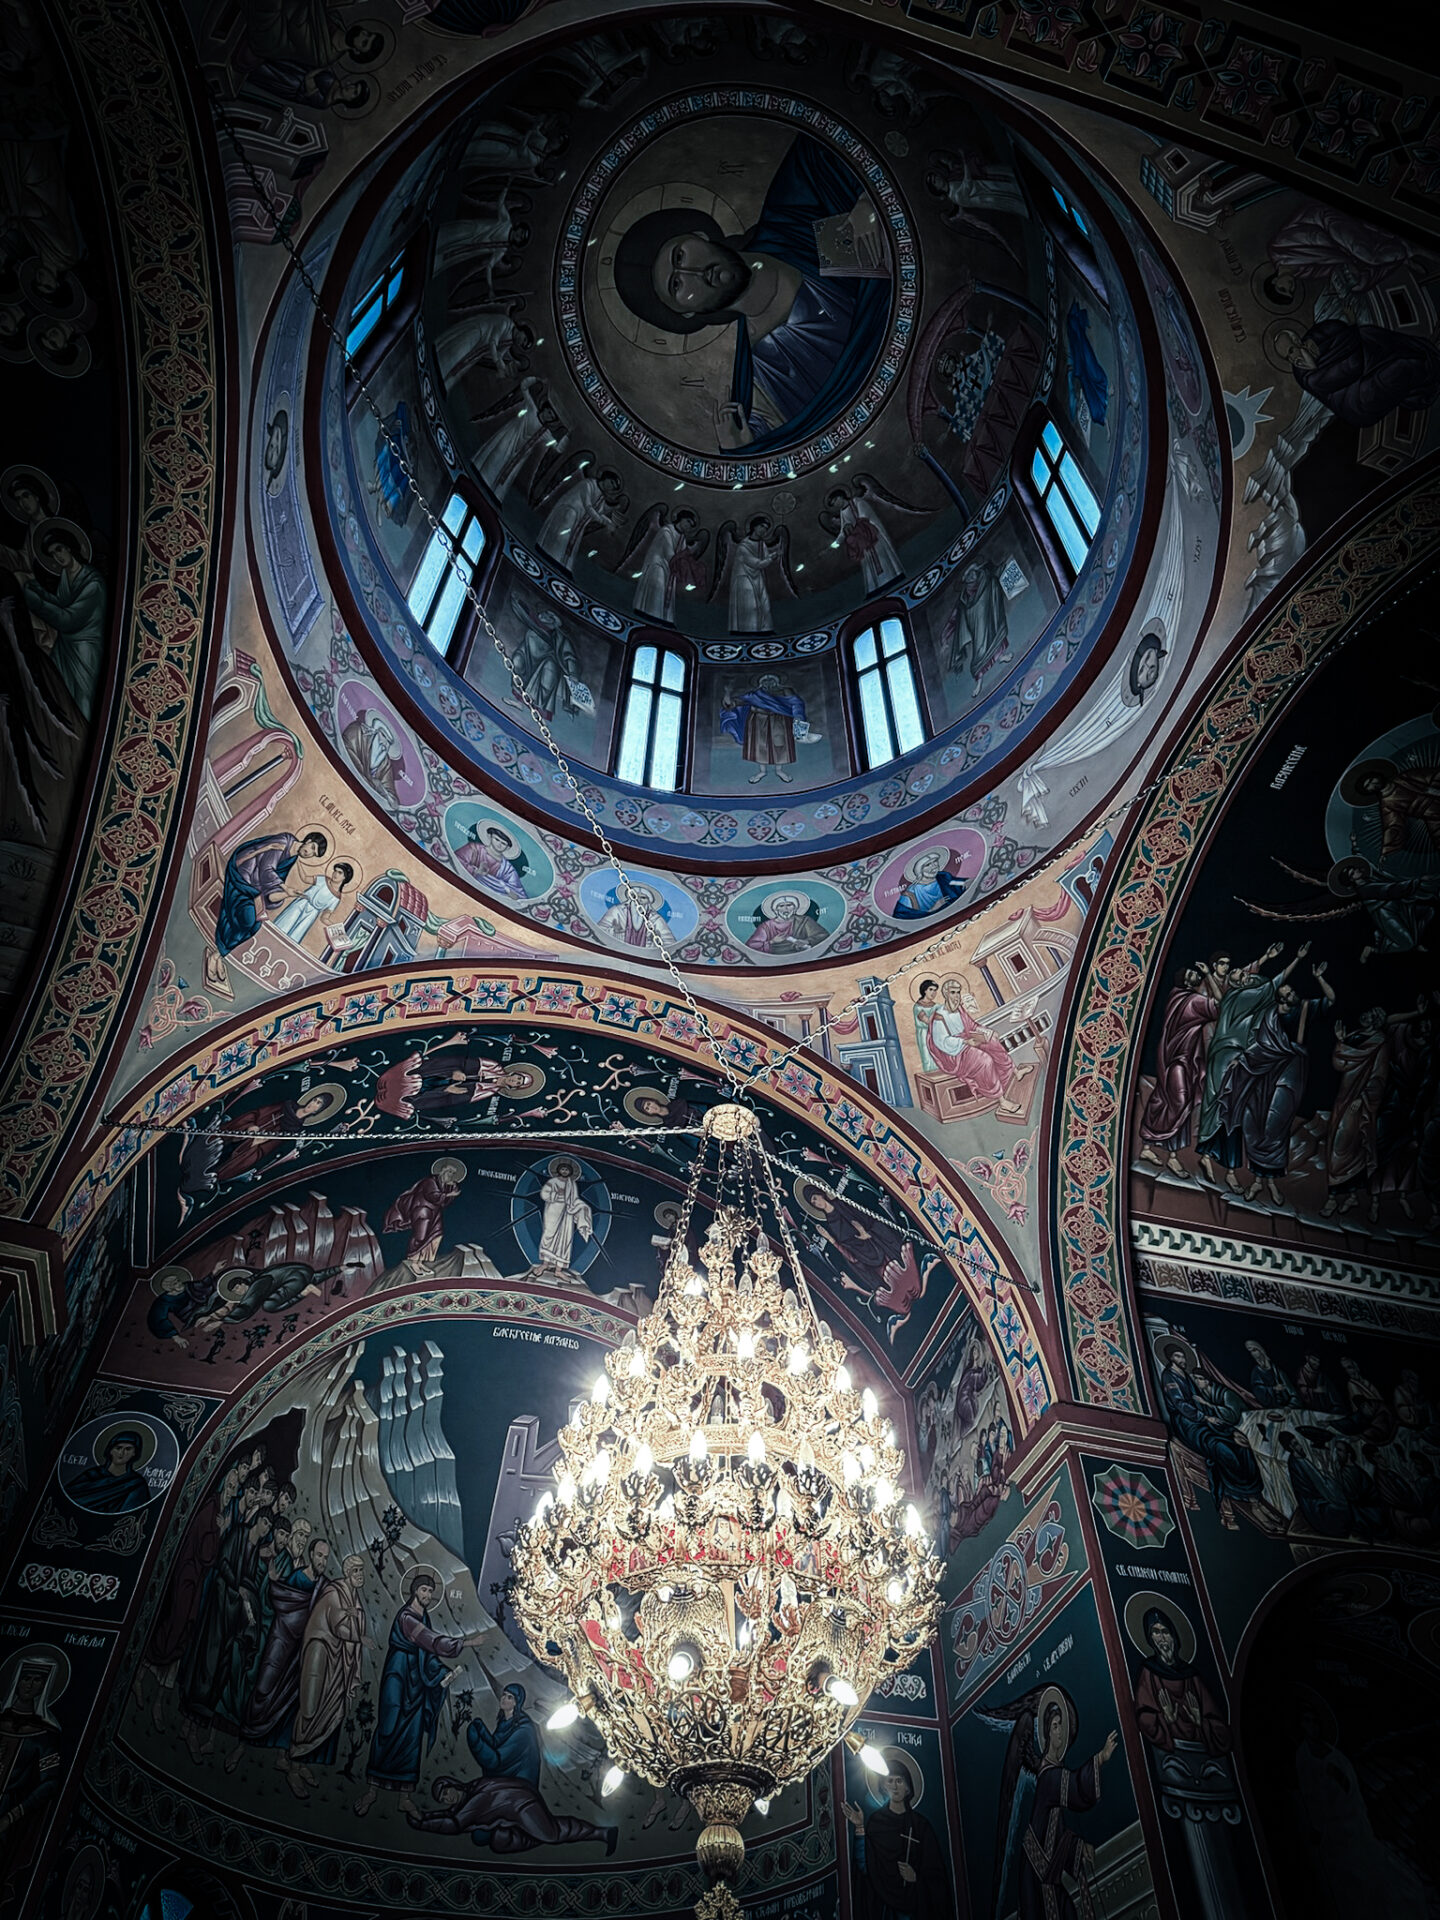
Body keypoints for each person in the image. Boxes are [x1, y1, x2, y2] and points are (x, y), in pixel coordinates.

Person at [611, 133, 891, 453]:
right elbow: (811, 442)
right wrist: (743, 451)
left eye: (680, 256)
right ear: (686, 313)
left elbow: (821, 146)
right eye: (677, 285)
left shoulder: (794, 226)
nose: (693, 273)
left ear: (699, 235)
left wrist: (864, 197)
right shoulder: (759, 379)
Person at [355, 1572, 485, 1816]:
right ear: (415, 1591)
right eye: (424, 1589)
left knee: (412, 1736)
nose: (427, 1594)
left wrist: (441, 1674)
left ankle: (404, 1797)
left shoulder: (424, 1617)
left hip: (417, 1682)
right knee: (389, 1728)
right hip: (399, 1675)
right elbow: (430, 1641)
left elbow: (427, 1654)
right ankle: (371, 1791)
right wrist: (466, 1643)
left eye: (430, 1591)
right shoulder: (407, 1617)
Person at [842, 1750, 951, 1918]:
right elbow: (865, 1867)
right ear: (883, 1786)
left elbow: (936, 1874)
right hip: (884, 1908)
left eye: (899, 1781)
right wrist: (859, 1827)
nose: (894, 1786)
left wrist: (916, 1877)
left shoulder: (921, 1826)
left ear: (908, 1788)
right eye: (890, 1781)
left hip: (916, 1906)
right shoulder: (876, 1823)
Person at [1274, 320, 1440, 430]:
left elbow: (1340, 328)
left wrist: (1349, 335)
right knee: (1403, 367)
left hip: (1366, 363)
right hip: (1359, 401)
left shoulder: (1317, 334)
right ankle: (1430, 377)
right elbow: (1352, 367)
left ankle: (1426, 357)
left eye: (1291, 351)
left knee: (1370, 333)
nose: (1293, 359)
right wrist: (1314, 361)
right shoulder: (1305, 377)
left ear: (1297, 341)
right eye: (1288, 358)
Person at [408, 1772, 617, 1854]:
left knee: (551, 1834)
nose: (447, 1799)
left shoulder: (476, 1798)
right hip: (511, 1815)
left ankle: (602, 1833)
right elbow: (454, 1817)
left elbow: (456, 1824)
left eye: (446, 1792)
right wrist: (424, 1816)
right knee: (500, 1841)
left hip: (522, 1804)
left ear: (453, 1785)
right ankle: (537, 1831)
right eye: (443, 1799)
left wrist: (422, 1822)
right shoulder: (468, 1796)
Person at [290, 1551, 367, 1769]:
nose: (360, 1575)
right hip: (320, 1651)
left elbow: (355, 1620)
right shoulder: (334, 1591)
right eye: (356, 1571)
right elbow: (337, 1626)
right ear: (347, 1573)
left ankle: (305, 1765)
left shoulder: (354, 1597)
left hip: (338, 1660)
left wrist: (355, 1618)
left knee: (331, 1709)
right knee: (311, 1704)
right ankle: (294, 1762)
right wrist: (359, 1636)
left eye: (362, 1571)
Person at [1138, 965, 1217, 1174]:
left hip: (1179, 1057)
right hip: (1178, 1059)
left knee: (1168, 1098)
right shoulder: (1191, 1001)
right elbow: (1220, 1006)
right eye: (1192, 974)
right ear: (1186, 981)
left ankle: (1165, 1154)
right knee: (1178, 1101)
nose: (1196, 975)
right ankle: (1151, 1145)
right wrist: (1209, 975)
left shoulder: (1178, 997)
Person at [22, 524, 106, 720]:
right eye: (52, 554)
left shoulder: (94, 583)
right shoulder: (66, 576)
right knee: (59, 694)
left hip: (85, 649)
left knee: (84, 701)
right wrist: (41, 592)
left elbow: (69, 619)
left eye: (59, 549)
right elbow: (62, 603)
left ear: (69, 547)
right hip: (65, 648)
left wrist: (37, 602)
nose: (57, 556)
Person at [211, 831, 329, 964]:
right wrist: (285, 888)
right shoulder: (284, 841)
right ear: (308, 840)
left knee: (255, 925)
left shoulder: (292, 858)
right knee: (248, 919)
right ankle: (216, 955)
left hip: (255, 885)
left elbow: (273, 884)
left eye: (314, 854)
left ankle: (218, 955)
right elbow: (266, 870)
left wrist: (287, 894)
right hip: (243, 875)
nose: (309, 853)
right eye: (312, 847)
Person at [922, 978, 1028, 1115]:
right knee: (984, 1060)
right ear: (946, 994)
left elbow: (972, 1026)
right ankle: (1001, 1101)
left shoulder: (959, 1009)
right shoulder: (939, 1017)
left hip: (968, 1040)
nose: (956, 996)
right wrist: (965, 1042)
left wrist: (988, 1032)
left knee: (992, 1043)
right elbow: (941, 1042)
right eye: (953, 993)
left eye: (958, 992)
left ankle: (1015, 1071)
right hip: (955, 1053)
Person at [719, 672, 806, 781]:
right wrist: (727, 692)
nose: (768, 683)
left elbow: (796, 703)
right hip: (759, 720)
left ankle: (779, 770)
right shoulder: (755, 695)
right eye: (765, 680)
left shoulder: (785, 691)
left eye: (771, 680)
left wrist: (798, 716)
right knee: (760, 746)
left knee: (780, 745)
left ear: (777, 681)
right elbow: (731, 704)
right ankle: (762, 771)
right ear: (760, 683)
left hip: (778, 720)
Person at [383, 1158, 467, 1264]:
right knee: (420, 1236)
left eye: (453, 1173)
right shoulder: (430, 1181)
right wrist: (449, 1194)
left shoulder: (445, 1186)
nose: (451, 1175)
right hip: (422, 1212)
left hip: (435, 1214)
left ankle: (421, 1262)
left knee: (436, 1236)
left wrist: (452, 1189)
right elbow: (432, 1196)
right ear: (443, 1171)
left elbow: (444, 1203)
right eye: (450, 1172)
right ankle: (413, 1262)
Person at [944, 560, 1009, 692]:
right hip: (975, 627)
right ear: (966, 580)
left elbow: (996, 575)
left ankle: (1001, 656)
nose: (972, 575)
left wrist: (1005, 567)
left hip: (989, 620)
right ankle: (979, 682)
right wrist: (945, 636)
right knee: (979, 653)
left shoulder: (986, 581)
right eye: (969, 575)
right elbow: (954, 618)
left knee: (995, 637)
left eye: (973, 572)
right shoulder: (963, 598)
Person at [466, 1683, 540, 1784]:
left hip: (518, 1783)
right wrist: (481, 1729)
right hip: (507, 1779)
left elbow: (496, 1761)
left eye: (509, 1697)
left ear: (516, 1702)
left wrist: (475, 1741)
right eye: (504, 1695)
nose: (504, 1699)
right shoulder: (505, 1721)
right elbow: (496, 1743)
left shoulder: (524, 1730)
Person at [531, 1158, 592, 1278]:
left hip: (567, 1214)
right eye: (563, 1169)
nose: (564, 1171)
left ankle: (558, 1270)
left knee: (564, 1240)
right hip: (553, 1210)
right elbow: (544, 1194)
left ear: (570, 1172)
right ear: (558, 1170)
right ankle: (545, 1264)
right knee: (548, 1235)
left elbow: (574, 1199)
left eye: (567, 1170)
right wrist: (556, 1194)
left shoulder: (572, 1184)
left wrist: (581, 1207)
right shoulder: (553, 1181)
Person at [63, 1430, 151, 1513]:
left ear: (134, 1453)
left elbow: (132, 1511)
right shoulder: (91, 1475)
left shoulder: (136, 1483)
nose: (121, 1453)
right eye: (118, 1448)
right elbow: (69, 1497)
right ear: (110, 1450)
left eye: (128, 1449)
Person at [272, 861, 354, 944]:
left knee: (295, 936)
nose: (335, 874)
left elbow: (324, 918)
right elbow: (304, 878)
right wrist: (298, 863)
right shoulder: (323, 879)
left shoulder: (336, 898)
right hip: (301, 903)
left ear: (345, 877)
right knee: (283, 925)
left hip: (311, 915)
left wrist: (337, 928)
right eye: (335, 871)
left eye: (340, 873)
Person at [342, 706, 406, 805]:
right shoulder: (356, 732)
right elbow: (348, 760)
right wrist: (375, 783)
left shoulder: (385, 763)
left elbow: (394, 802)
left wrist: (384, 792)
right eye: (383, 735)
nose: (384, 744)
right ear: (373, 731)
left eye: (388, 742)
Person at [455, 822, 530, 900]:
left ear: (508, 847)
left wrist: (504, 888)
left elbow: (519, 893)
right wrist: (475, 871)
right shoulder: (474, 849)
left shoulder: (507, 868)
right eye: (496, 839)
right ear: (489, 836)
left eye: (503, 843)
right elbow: (456, 860)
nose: (499, 844)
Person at [892, 849, 967, 921]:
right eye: (928, 865)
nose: (934, 866)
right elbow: (904, 918)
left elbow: (958, 883)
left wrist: (967, 882)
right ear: (919, 870)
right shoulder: (911, 893)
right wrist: (933, 909)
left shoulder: (943, 878)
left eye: (935, 861)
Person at [747, 892, 828, 954]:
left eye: (789, 905)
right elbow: (751, 945)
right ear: (775, 910)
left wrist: (807, 941)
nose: (786, 909)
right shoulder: (766, 926)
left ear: (795, 908)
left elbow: (823, 935)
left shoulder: (804, 921)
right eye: (781, 906)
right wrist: (772, 941)